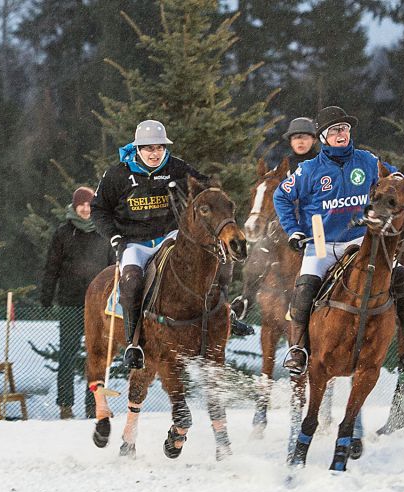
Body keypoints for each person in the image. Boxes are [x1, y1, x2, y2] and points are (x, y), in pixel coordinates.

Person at [273, 105, 404, 375]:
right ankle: (299, 349)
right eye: (335, 130)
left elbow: (395, 180)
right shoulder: (309, 170)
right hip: (323, 243)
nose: (342, 134)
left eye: (345, 129)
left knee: (403, 278)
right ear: (323, 138)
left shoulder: (367, 161)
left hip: (363, 241)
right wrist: (293, 229)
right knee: (305, 286)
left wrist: (403, 184)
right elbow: (281, 196)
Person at [91, 119, 251, 370]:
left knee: (210, 258)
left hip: (170, 236)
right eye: (149, 149)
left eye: (159, 148)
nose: (155, 154)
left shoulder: (177, 168)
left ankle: (225, 311)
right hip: (135, 243)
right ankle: (134, 345)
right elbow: (99, 210)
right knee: (132, 280)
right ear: (138, 149)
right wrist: (115, 237)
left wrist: (211, 193)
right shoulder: (118, 175)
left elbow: (205, 187)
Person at [231, 116, 319, 320]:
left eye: (305, 137)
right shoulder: (283, 169)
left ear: (313, 140)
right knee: (258, 253)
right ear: (291, 141)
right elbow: (270, 193)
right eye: (296, 137)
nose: (301, 141)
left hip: (317, 227)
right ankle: (245, 300)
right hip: (288, 229)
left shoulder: (322, 164)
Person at [41, 186, 112, 419]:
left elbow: (115, 269)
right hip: (71, 302)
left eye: (88, 204)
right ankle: (65, 405)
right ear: (74, 206)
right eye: (80, 204)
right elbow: (52, 267)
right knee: (68, 354)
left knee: (96, 356)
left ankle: (94, 405)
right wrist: (47, 296)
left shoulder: (103, 233)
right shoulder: (63, 233)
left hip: (98, 305)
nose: (84, 208)